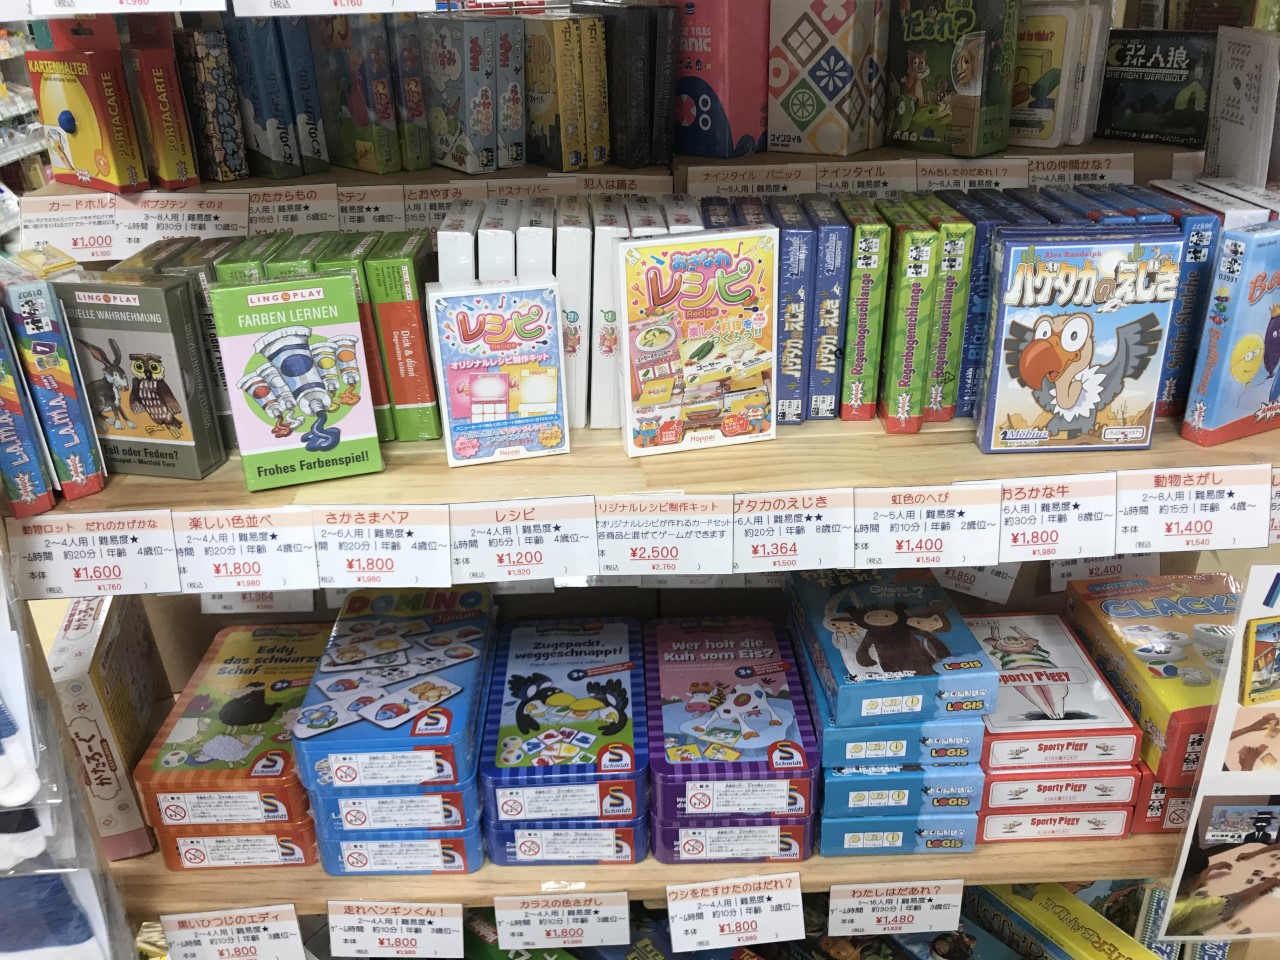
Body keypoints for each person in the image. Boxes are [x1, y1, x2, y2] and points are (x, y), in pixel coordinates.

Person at [1166, 843, 1280, 936]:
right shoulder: (1187, 908)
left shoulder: (1165, 882)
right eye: (1198, 876)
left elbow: (1188, 884)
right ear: (1190, 879)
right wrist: (1265, 884)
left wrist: (1210, 869)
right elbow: (1236, 899)